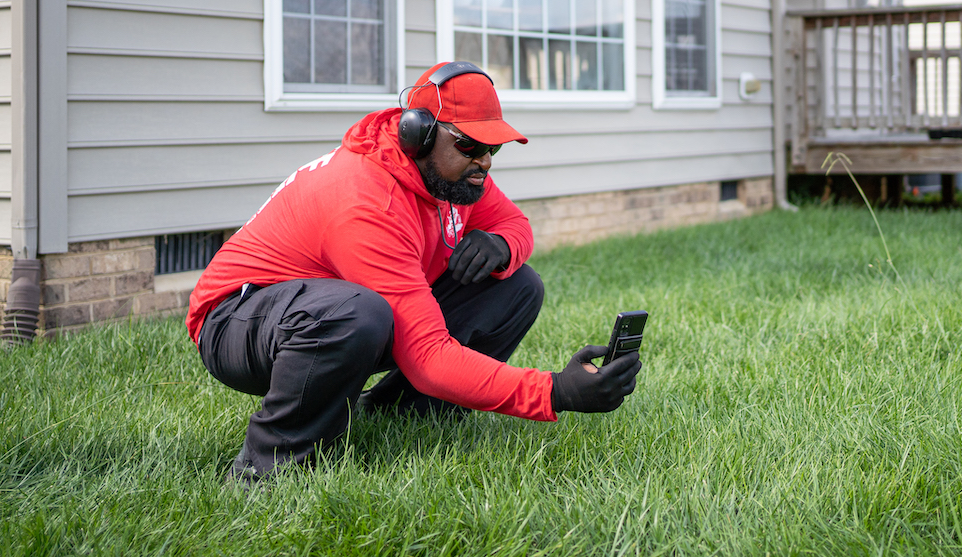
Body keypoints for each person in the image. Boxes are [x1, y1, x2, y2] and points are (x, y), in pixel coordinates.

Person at [185, 61, 643, 485]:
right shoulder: (367, 199)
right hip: (235, 321)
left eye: (493, 148)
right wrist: (555, 391)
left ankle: (404, 418)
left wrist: (502, 245)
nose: (484, 161)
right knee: (356, 312)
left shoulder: (450, 174)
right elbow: (427, 356)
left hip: (323, 310)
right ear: (417, 135)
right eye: (469, 145)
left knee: (519, 286)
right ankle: (268, 471)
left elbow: (515, 225)